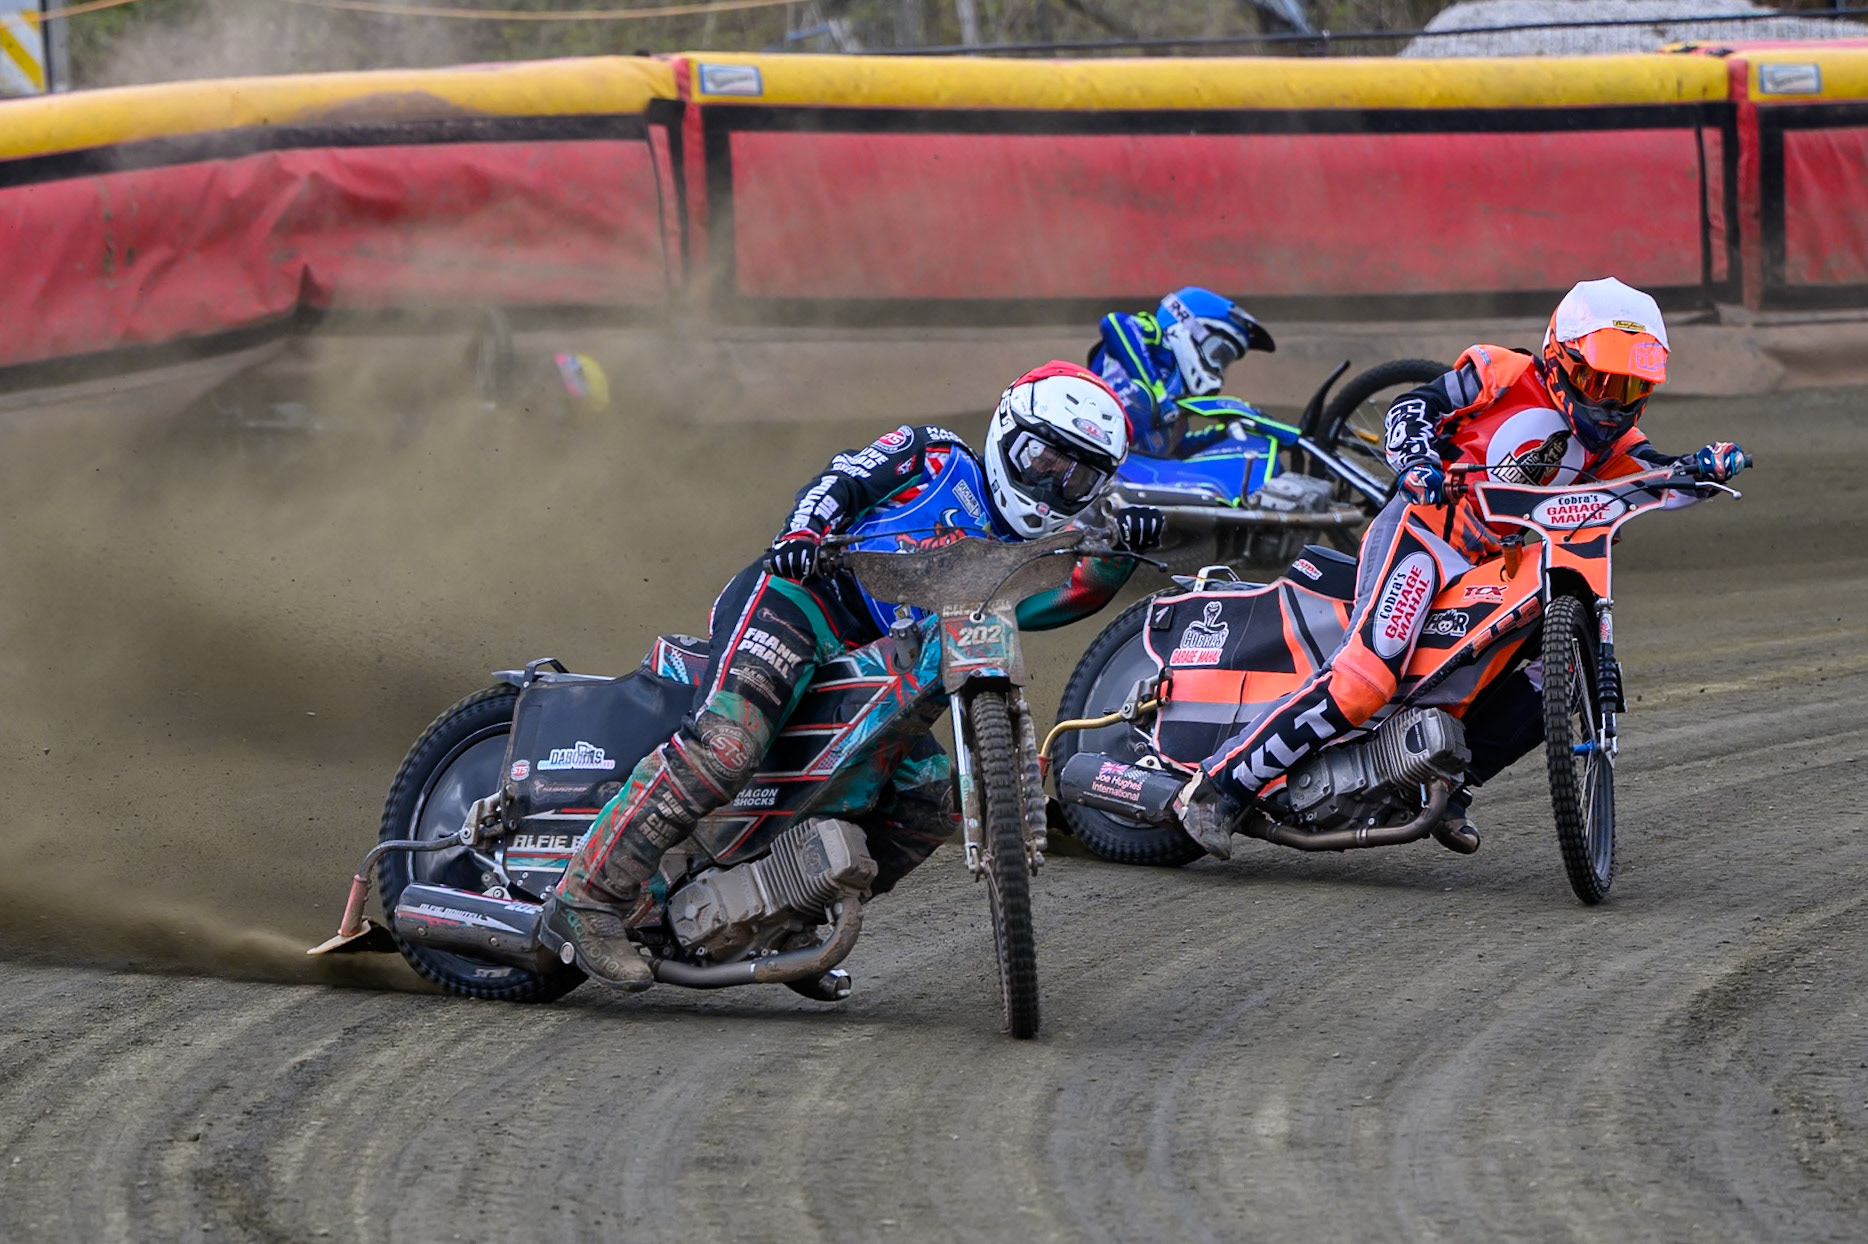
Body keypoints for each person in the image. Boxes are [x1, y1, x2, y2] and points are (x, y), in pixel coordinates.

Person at [541, 361, 1167, 989]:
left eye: (1078, 475)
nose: (1053, 482)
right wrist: (804, 532)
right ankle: (587, 898)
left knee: (929, 802)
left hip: (882, 665)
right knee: (727, 747)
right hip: (802, 600)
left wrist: (1118, 557)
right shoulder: (934, 455)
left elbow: (1065, 597)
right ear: (1007, 432)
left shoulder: (1045, 551)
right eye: (1043, 458)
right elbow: (843, 478)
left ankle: (780, 922)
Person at [1176, 277, 1750, 856]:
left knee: (1562, 674)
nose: (1612, 404)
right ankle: (1218, 788)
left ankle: (1448, 787)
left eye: (1631, 388)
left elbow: (1662, 477)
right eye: (1600, 382)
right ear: (1561, 357)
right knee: (1365, 680)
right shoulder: (1501, 373)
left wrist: (1706, 466)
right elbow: (1413, 406)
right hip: (1426, 537)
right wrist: (1416, 460)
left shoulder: (1618, 446)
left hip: (1502, 569)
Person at [1088, 286, 1277, 459]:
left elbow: (1176, 454)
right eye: (1219, 354)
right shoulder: (1158, 341)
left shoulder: (1177, 408)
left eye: (1225, 361)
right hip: (1091, 427)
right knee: (1143, 398)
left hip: (1119, 472)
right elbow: (1114, 322)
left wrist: (1224, 433)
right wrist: (1157, 393)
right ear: (1189, 328)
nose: (1219, 367)